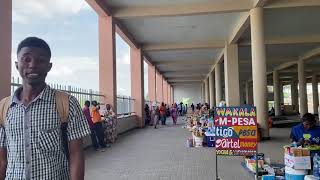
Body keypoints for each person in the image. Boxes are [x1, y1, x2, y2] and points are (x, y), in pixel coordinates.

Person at [0, 37, 90, 179]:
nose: (33, 65)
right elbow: (2, 159)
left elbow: (76, 154)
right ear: (17, 65)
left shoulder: (66, 104)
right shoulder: (4, 108)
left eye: (41, 60)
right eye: (27, 59)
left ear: (49, 66)